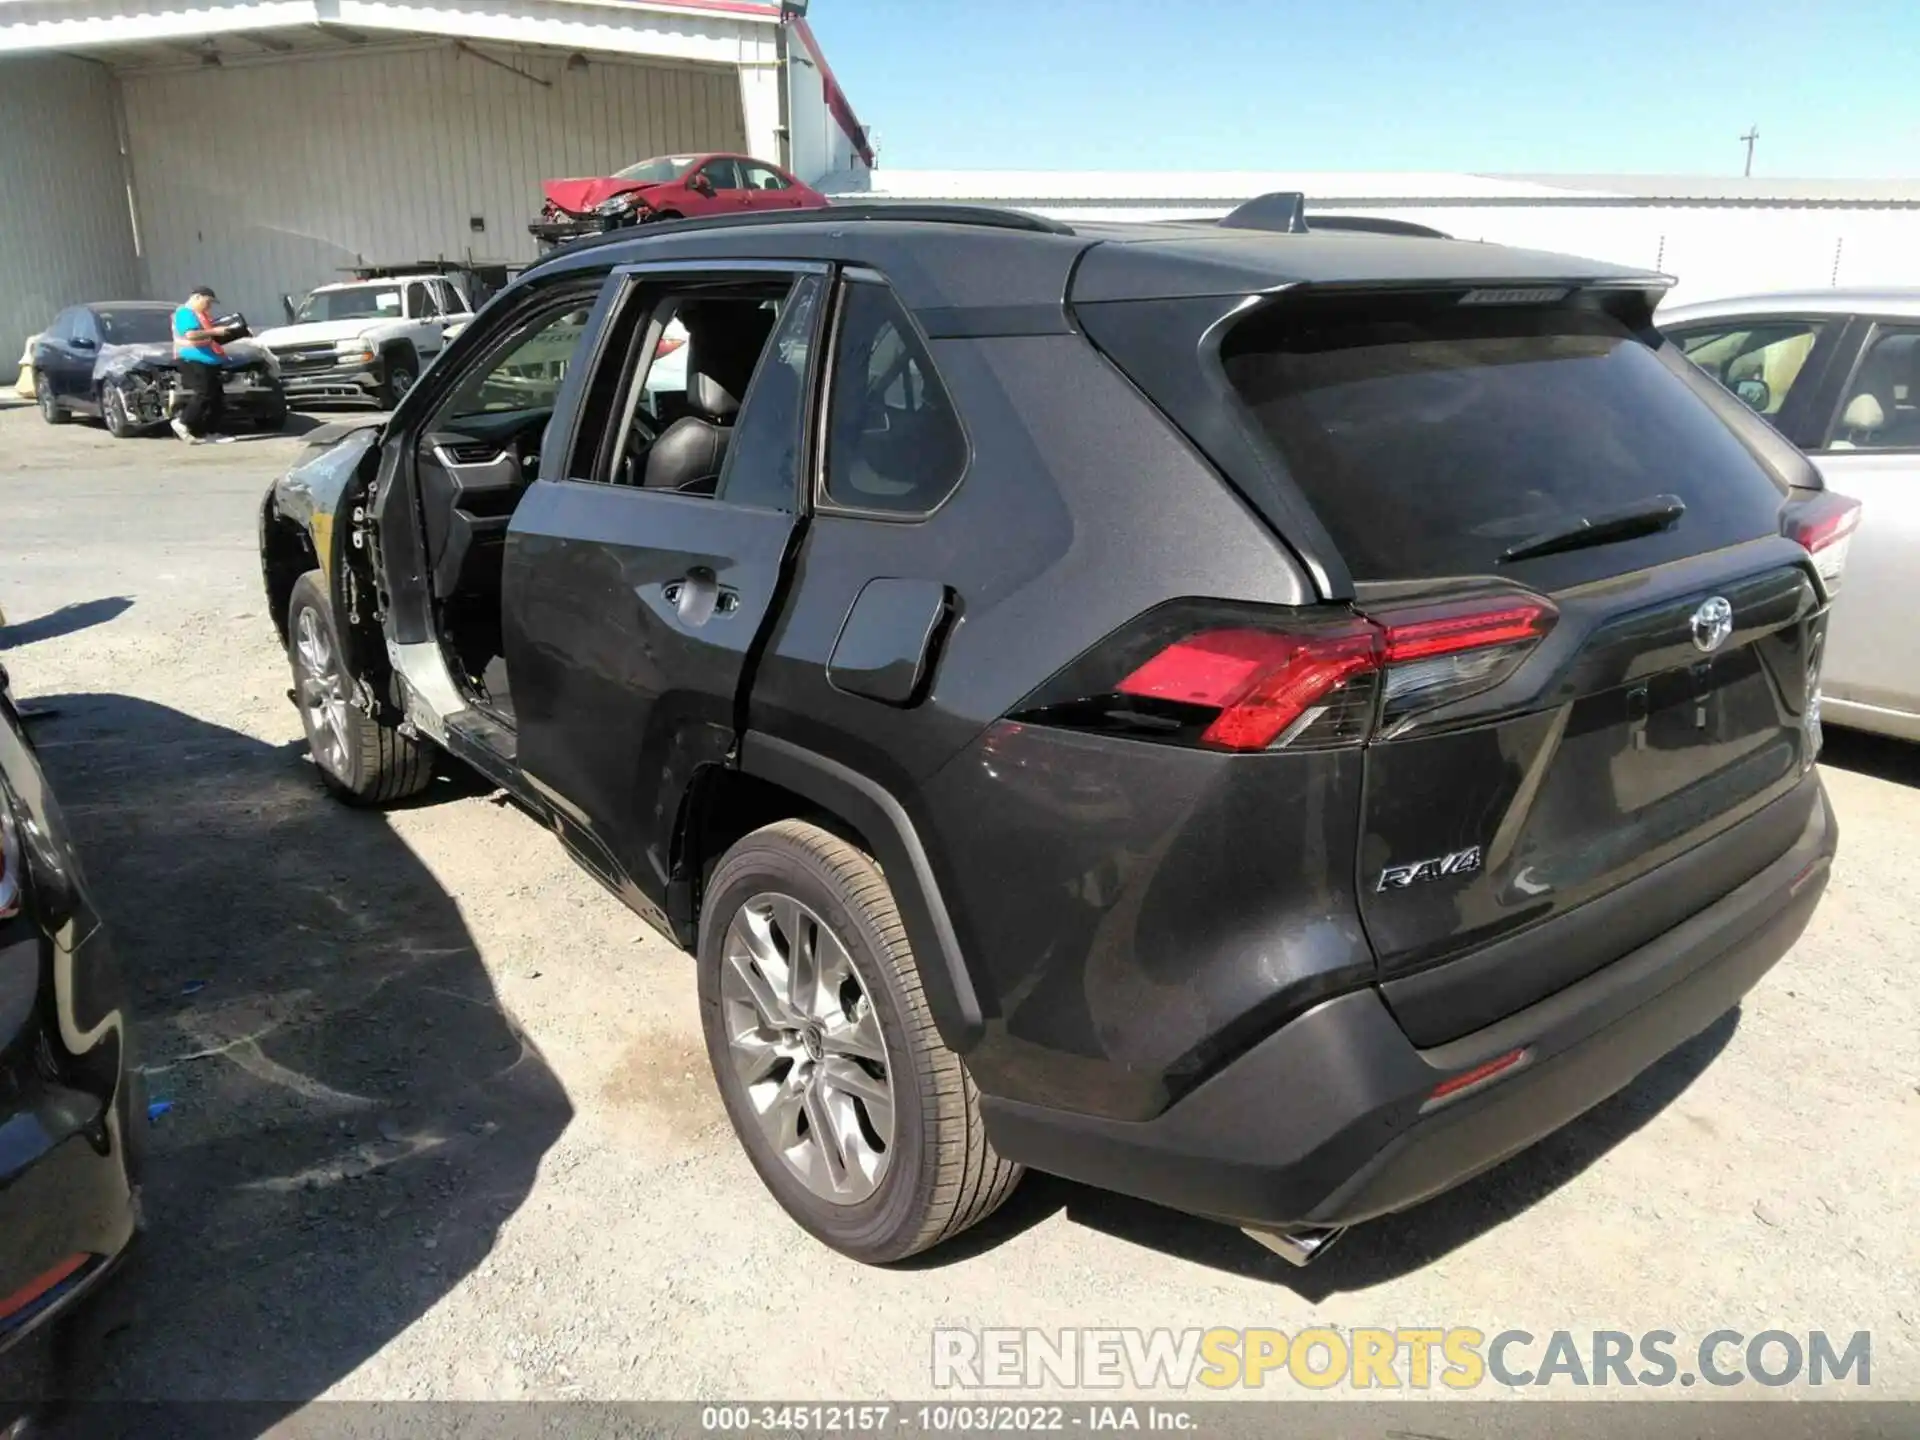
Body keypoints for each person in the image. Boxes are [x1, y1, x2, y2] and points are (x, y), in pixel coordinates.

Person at [171, 286, 239, 444]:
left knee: (216, 397)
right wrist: (215, 332)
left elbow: (210, 337)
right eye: (207, 302)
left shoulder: (201, 315)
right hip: (193, 359)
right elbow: (192, 335)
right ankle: (183, 422)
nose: (209, 306)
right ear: (197, 297)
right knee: (204, 393)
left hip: (209, 360)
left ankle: (209, 432)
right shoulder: (185, 313)